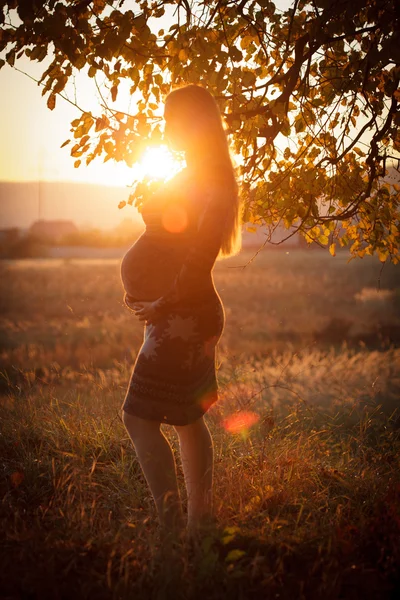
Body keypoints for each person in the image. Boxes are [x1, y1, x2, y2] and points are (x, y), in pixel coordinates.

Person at [120, 84, 242, 545]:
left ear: (194, 124)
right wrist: (142, 286)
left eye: (173, 119)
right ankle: (198, 526)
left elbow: (198, 261)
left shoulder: (211, 182)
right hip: (176, 315)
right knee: (189, 420)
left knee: (138, 419)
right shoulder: (194, 172)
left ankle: (174, 529)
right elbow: (169, 245)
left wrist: (161, 303)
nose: (166, 128)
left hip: (184, 317)